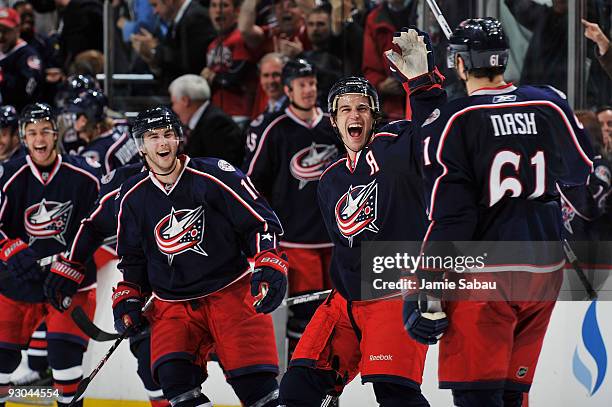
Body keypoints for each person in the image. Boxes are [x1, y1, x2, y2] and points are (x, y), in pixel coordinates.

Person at [410, 18, 594, 407]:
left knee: (479, 396)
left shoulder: (454, 118)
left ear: (459, 63)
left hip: (487, 277)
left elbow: (453, 218)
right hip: (544, 271)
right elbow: (580, 175)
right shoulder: (549, 101)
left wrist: (426, 283)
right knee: (513, 395)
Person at [277, 27, 445, 407]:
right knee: (296, 390)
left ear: (374, 116)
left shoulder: (396, 146)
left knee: (395, 393)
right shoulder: (330, 180)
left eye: (362, 108)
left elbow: (433, 132)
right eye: (345, 110)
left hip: (394, 294)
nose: (355, 115)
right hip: (344, 305)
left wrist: (422, 84)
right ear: (334, 122)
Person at [113, 106, 286, 407]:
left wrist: (268, 259)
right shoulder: (132, 195)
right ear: (140, 146)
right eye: (153, 137)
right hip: (174, 307)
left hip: (230, 295)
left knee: (258, 390)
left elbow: (260, 222)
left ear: (179, 138)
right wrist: (130, 293)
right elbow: (133, 257)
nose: (163, 143)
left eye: (168, 134)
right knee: (175, 383)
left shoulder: (215, 174)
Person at [43, 161, 170, 407]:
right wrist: (73, 262)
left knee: (241, 375)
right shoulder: (125, 182)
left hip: (202, 290)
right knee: (153, 369)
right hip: (147, 293)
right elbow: (93, 226)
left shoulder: (200, 177)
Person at [0, 103, 101, 407]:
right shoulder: (8, 175)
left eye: (45, 131)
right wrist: (9, 249)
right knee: (1, 363)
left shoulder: (86, 176)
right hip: (18, 285)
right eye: (32, 133)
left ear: (57, 134)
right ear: (23, 137)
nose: (39, 139)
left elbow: (102, 227)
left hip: (70, 286)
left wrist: (73, 263)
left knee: (65, 364)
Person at [243, 58, 343, 355]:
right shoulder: (274, 130)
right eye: (302, 84)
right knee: (306, 316)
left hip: (337, 238)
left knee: (339, 313)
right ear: (287, 89)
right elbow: (251, 185)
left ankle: (330, 388)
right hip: (295, 241)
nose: (309, 89)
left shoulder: (334, 123)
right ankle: (302, 382)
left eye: (312, 83)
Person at [169, 74, 244, 166]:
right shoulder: (205, 119)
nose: (173, 108)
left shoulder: (217, 123)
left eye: (174, 103)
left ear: (185, 101)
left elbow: (219, 168)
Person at [60, 89, 139, 173]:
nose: (74, 120)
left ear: (83, 120)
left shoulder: (96, 152)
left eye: (77, 115)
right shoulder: (119, 133)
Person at [0, 7, 43, 111]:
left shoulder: (28, 55)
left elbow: (29, 91)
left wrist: (4, 79)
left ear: (17, 29)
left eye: (5, 30)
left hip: (18, 115)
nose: (0, 35)